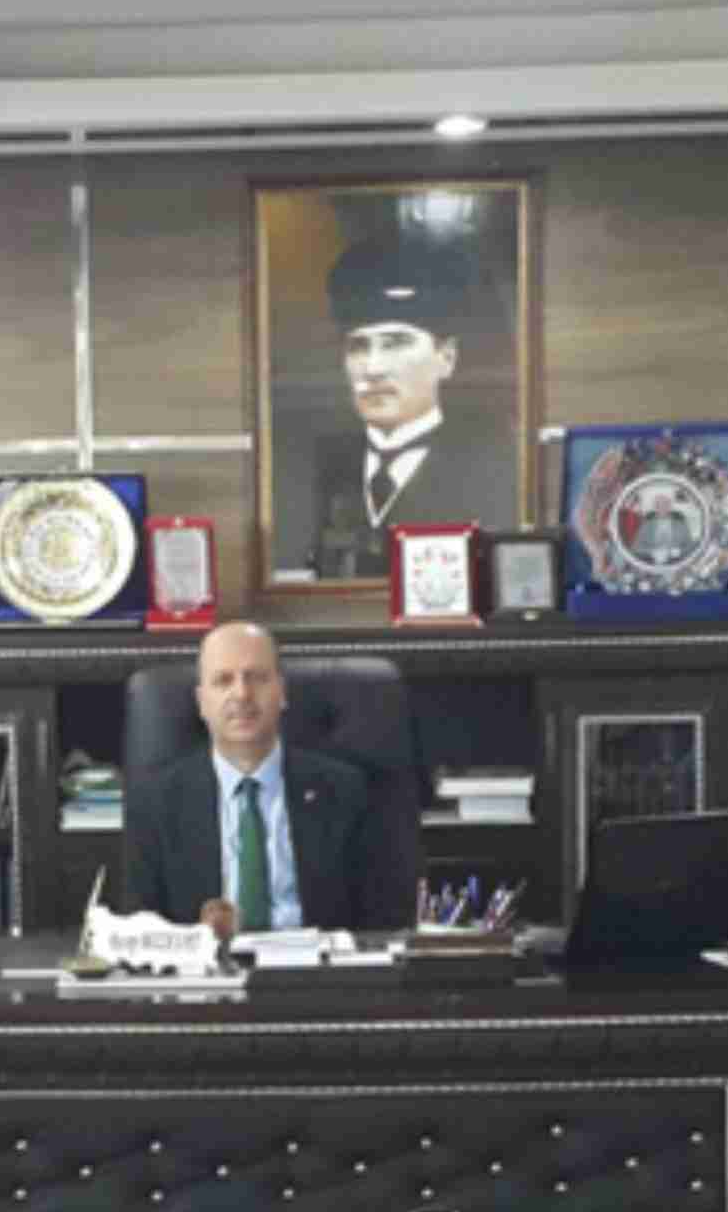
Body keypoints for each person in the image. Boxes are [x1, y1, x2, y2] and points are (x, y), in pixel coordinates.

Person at [120, 622, 405, 932]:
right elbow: (141, 930)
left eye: (256, 677)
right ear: (202, 702)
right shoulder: (156, 803)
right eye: (223, 680)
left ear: (281, 692)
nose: (242, 694)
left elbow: (382, 927)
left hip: (314, 960)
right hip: (210, 962)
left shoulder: (348, 791)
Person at [286, 231, 522, 579]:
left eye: (396, 343)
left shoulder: (494, 467)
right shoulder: (325, 468)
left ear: (446, 357)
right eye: (358, 347)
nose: (373, 368)